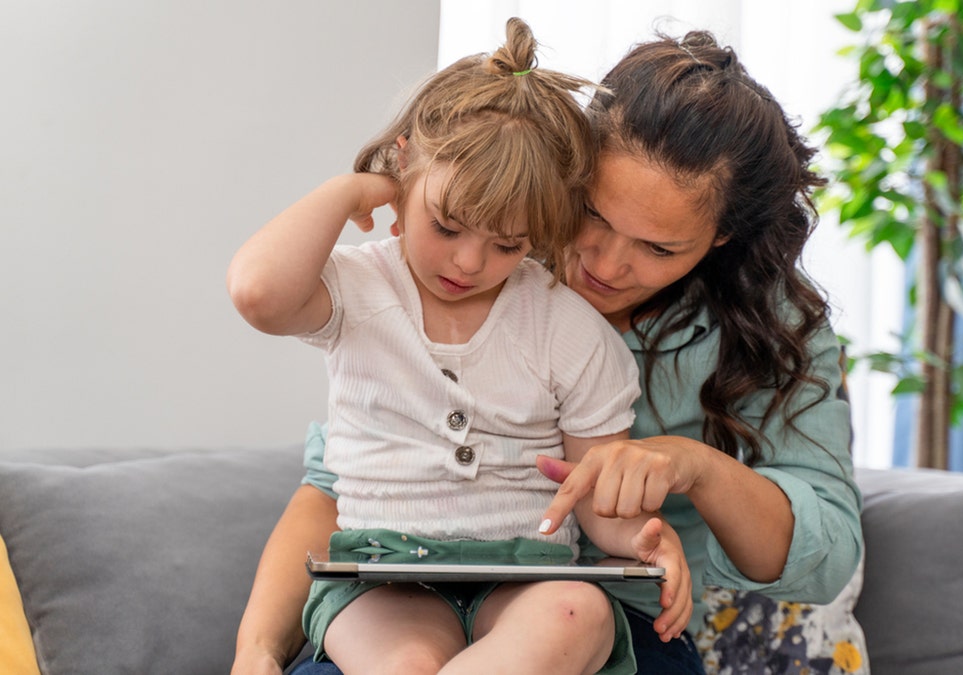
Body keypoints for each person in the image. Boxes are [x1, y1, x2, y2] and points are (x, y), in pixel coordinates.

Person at [232, 26, 863, 675]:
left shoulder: (770, 324)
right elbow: (332, 487)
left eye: (659, 248)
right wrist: (257, 645)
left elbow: (829, 553)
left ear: (721, 237)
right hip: (400, 600)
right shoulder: (480, 256)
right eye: (591, 213)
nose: (607, 264)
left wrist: (691, 466)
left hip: (593, 615)